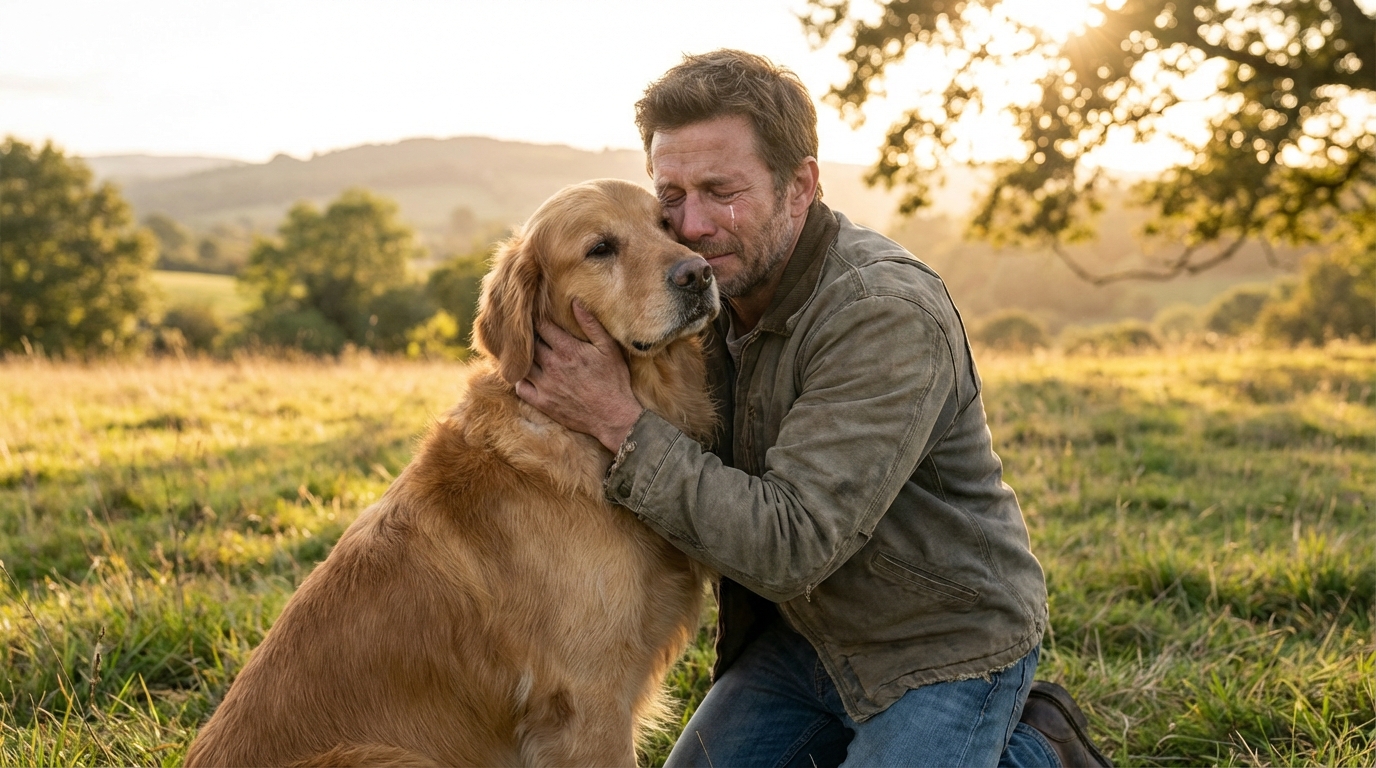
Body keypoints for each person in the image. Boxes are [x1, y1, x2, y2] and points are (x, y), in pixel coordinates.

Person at [515, 49, 1112, 767]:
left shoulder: (884, 314)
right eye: (670, 194)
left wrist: (618, 420)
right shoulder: (703, 293)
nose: (691, 227)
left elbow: (789, 545)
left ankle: (1040, 751)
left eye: (721, 189)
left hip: (936, 642)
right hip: (802, 642)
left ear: (800, 186)